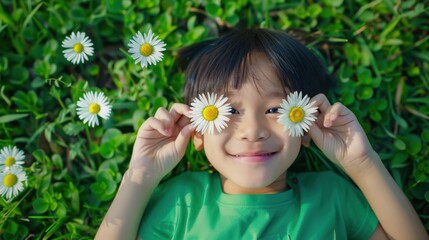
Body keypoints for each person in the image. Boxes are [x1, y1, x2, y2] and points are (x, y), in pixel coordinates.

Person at [95, 28, 427, 239]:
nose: (253, 131)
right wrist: (140, 177)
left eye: (274, 110)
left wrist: (362, 163)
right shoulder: (182, 202)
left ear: (307, 123)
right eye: (229, 111)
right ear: (197, 130)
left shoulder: (331, 197)